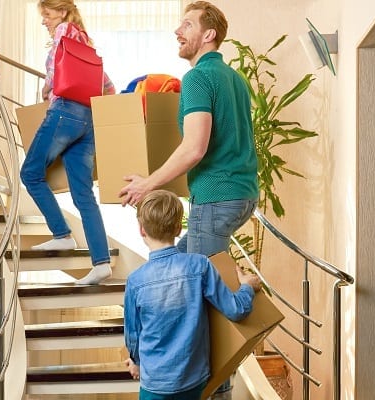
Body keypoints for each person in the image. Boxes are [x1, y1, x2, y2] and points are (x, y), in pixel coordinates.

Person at [119, 2, 259, 397]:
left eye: (186, 24)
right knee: (181, 267)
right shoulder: (232, 78)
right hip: (241, 194)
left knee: (208, 305)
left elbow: (194, 148)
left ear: (208, 34)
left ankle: (217, 391)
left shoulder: (198, 78)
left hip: (216, 198)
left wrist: (148, 184)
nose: (177, 31)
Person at [124, 189, 261, 400]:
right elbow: (235, 310)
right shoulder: (200, 266)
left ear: (142, 230)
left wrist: (136, 362)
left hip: (154, 384)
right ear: (179, 228)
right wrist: (247, 287)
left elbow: (133, 336)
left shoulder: (136, 281)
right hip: (192, 381)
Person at [20, 0, 115, 285]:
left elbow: (55, 75)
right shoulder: (85, 43)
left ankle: (62, 234)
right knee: (83, 194)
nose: (44, 21)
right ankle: (101, 263)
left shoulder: (64, 30)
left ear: (62, 12)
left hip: (64, 114)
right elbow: (107, 84)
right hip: (88, 119)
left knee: (30, 173)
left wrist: (47, 87)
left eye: (47, 15)